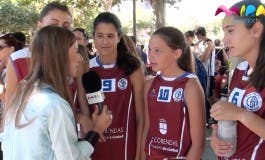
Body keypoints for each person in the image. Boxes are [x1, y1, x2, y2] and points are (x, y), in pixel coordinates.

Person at [0, 25, 112, 160]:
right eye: (76, 51)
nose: (80, 59)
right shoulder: (54, 105)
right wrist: (96, 130)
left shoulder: (22, 93)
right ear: (60, 56)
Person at [210, 0, 265, 159]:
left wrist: (241, 114)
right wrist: (217, 135)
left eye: (230, 31)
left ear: (256, 30)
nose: (225, 39)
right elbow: (233, 116)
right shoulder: (240, 70)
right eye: (224, 32)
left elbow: (239, 114)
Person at [86, 12, 144, 160]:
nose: (105, 41)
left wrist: (139, 155)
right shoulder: (86, 69)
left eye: (110, 36)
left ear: (119, 37)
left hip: (126, 145)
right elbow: (81, 110)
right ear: (93, 37)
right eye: (100, 36)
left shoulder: (132, 69)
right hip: (95, 142)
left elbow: (141, 117)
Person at [142, 27, 205, 159]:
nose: (150, 55)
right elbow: (147, 128)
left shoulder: (191, 86)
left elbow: (198, 144)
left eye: (157, 51)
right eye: (149, 49)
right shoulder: (149, 84)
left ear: (176, 53)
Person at [5, 1, 72, 106]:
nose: (59, 31)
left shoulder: (74, 60)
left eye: (66, 27)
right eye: (53, 25)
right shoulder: (17, 59)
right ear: (39, 26)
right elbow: (9, 107)